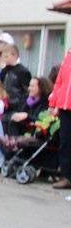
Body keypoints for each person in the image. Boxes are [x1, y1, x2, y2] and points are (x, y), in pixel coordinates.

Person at [48, 50, 71, 189]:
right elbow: (59, 83)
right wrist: (53, 103)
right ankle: (66, 177)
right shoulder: (68, 57)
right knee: (65, 143)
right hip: (65, 107)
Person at [0, 43, 31, 122]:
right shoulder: (4, 71)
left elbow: (26, 92)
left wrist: (22, 108)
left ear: (15, 56)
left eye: (7, 56)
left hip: (16, 107)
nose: (4, 59)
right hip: (4, 105)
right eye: (4, 57)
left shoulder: (22, 72)